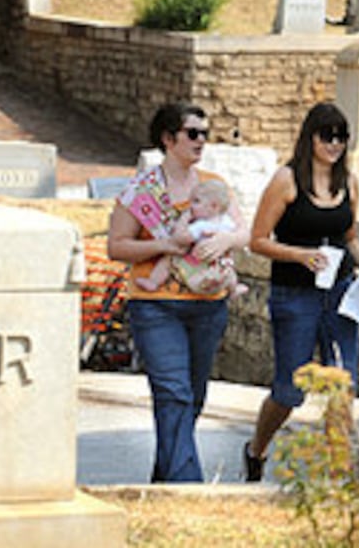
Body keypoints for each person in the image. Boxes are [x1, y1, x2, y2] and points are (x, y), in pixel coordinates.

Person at [107, 102, 246, 482]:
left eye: (205, 132)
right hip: (156, 306)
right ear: (169, 139)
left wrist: (226, 241)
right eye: (193, 133)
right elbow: (116, 246)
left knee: (193, 397)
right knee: (174, 393)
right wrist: (165, 245)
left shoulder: (214, 185)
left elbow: (245, 232)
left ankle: (164, 479)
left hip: (208, 305)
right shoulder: (140, 191)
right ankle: (189, 486)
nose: (202, 140)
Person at [243, 102, 359, 481]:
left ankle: (340, 475)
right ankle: (257, 449)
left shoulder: (349, 182)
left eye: (341, 137)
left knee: (342, 381)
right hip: (295, 295)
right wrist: (300, 255)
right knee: (290, 391)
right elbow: (257, 241)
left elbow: (349, 235)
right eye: (327, 136)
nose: (334, 144)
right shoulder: (286, 181)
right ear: (311, 137)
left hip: (340, 293)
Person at [134, 177, 248, 300]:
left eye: (196, 201)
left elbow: (180, 239)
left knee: (168, 260)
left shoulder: (200, 225)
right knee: (228, 267)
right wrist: (228, 240)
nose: (191, 206)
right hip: (217, 270)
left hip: (197, 267)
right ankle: (233, 287)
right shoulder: (227, 221)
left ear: (214, 206)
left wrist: (184, 219)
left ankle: (154, 281)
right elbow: (239, 233)